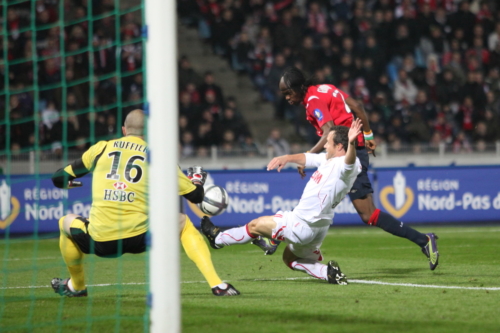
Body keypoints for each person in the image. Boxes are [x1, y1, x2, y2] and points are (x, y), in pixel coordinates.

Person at [50, 109, 239, 297]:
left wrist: (69, 183)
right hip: (141, 237)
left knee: (64, 222)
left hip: (101, 240)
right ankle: (217, 285)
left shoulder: (101, 148)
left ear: (124, 130)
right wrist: (196, 181)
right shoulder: (158, 157)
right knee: (182, 222)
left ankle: (77, 286)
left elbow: (58, 178)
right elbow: (196, 196)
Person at [277, 67, 439, 270]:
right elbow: (357, 106)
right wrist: (369, 135)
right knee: (324, 196)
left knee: (367, 213)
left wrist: (309, 155)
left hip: (347, 153)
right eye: (284, 94)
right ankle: (283, 236)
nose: (287, 97)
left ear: (300, 87)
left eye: (288, 92)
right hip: (349, 148)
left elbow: (329, 130)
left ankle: (424, 240)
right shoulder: (325, 88)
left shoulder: (312, 101)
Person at [201, 120, 365, 284]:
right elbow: (308, 158)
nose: (325, 146)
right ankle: (327, 272)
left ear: (339, 147)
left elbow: (349, 162)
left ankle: (217, 239)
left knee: (254, 226)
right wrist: (287, 158)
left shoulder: (347, 165)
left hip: (301, 223)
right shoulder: (328, 160)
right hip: (318, 228)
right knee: (289, 258)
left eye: (328, 143)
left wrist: (351, 143)